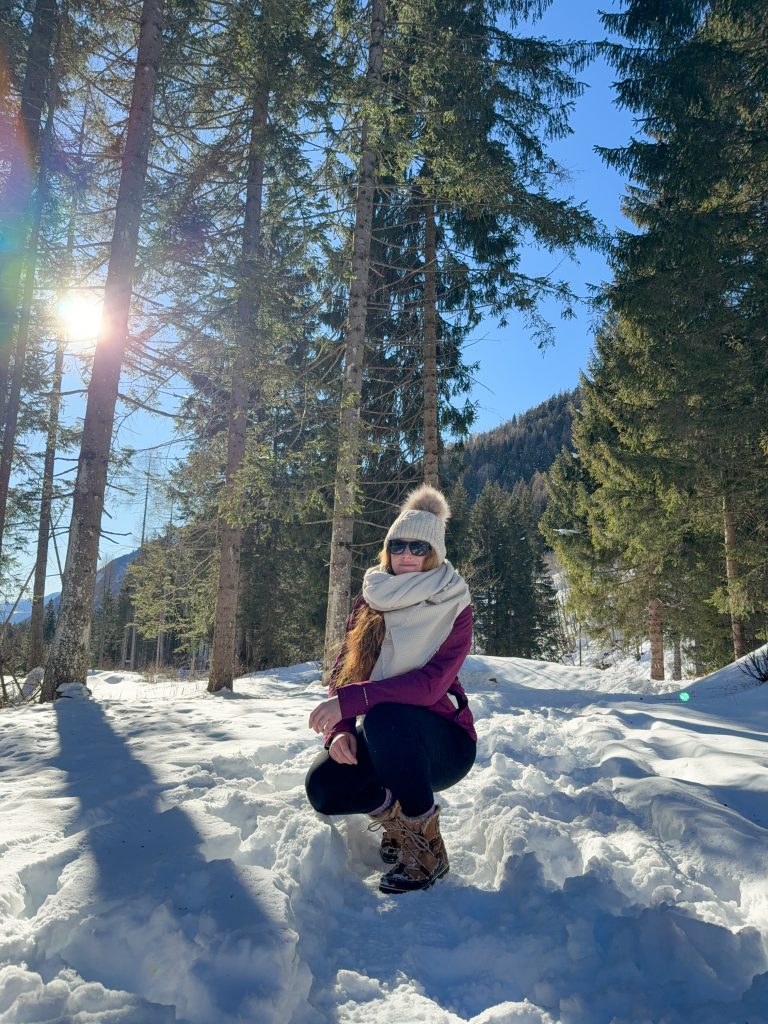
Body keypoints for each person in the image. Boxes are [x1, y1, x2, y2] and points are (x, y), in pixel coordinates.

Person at [305, 485, 476, 894]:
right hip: (389, 738)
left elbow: (428, 685)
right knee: (325, 785)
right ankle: (396, 819)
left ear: (434, 553)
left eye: (418, 547)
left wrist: (354, 701)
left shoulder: (455, 603)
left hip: (443, 743)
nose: (406, 555)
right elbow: (345, 672)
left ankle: (426, 852)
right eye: (397, 545)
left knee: (385, 716)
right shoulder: (370, 600)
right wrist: (341, 729)